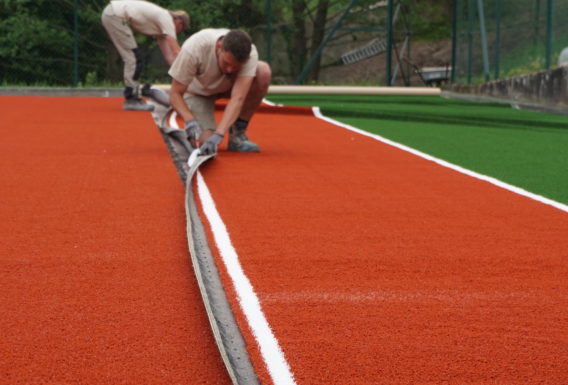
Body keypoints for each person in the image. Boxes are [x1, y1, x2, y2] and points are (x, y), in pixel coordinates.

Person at [168, 28, 271, 154]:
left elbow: (238, 98)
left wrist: (220, 134)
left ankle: (237, 136)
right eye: (226, 63)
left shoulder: (250, 53)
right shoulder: (194, 48)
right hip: (198, 92)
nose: (229, 70)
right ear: (219, 46)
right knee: (206, 143)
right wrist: (190, 120)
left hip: (228, 88)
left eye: (235, 67)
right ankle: (196, 130)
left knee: (263, 72)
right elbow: (175, 94)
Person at [101, 0, 189, 111]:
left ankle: (133, 95)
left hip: (113, 14)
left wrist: (179, 76)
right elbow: (176, 51)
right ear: (179, 22)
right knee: (133, 58)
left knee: (133, 58)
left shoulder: (161, 29)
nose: (179, 32)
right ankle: (131, 99)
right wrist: (189, 73)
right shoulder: (166, 18)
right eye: (182, 29)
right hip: (115, 15)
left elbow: (170, 57)